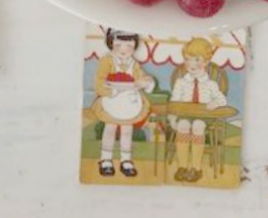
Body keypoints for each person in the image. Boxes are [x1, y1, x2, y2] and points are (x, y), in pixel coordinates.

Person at [91, 29, 155, 178]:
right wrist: (110, 92)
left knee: (127, 131)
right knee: (110, 128)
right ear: (111, 44)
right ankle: (106, 159)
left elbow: (141, 77)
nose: (124, 50)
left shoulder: (134, 64)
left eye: (129, 46)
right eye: (119, 45)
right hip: (112, 100)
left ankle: (126, 160)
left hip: (130, 103)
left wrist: (145, 81)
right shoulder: (107, 61)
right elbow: (99, 81)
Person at [169, 37, 227, 183]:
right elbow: (174, 102)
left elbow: (222, 100)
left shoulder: (211, 84)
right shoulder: (181, 83)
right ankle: (182, 166)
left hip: (204, 117)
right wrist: (172, 119)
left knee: (198, 125)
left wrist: (214, 103)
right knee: (183, 125)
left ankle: (196, 167)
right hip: (185, 115)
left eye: (196, 59)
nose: (191, 64)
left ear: (206, 62)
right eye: (188, 59)